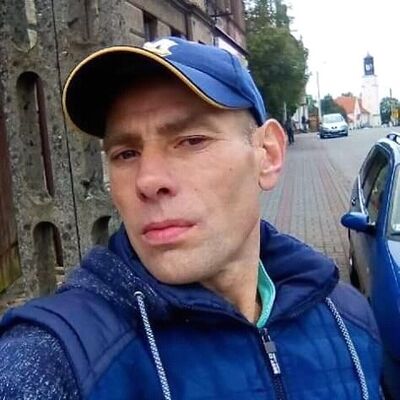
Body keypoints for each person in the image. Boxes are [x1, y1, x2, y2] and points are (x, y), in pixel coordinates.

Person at [0, 37, 382, 399]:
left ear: (267, 154)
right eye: (125, 153)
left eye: (192, 141)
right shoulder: (57, 359)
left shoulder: (348, 322)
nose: (148, 181)